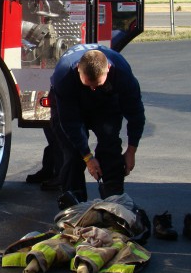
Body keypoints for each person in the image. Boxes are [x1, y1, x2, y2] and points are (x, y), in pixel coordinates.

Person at [49, 43, 145, 204]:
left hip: (106, 103)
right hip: (71, 104)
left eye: (97, 84)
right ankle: (74, 205)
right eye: (88, 84)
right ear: (78, 68)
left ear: (108, 68)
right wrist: (88, 157)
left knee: (110, 145)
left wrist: (131, 151)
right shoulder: (64, 74)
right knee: (73, 155)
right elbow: (70, 122)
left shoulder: (122, 73)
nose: (93, 88)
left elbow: (136, 115)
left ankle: (115, 202)